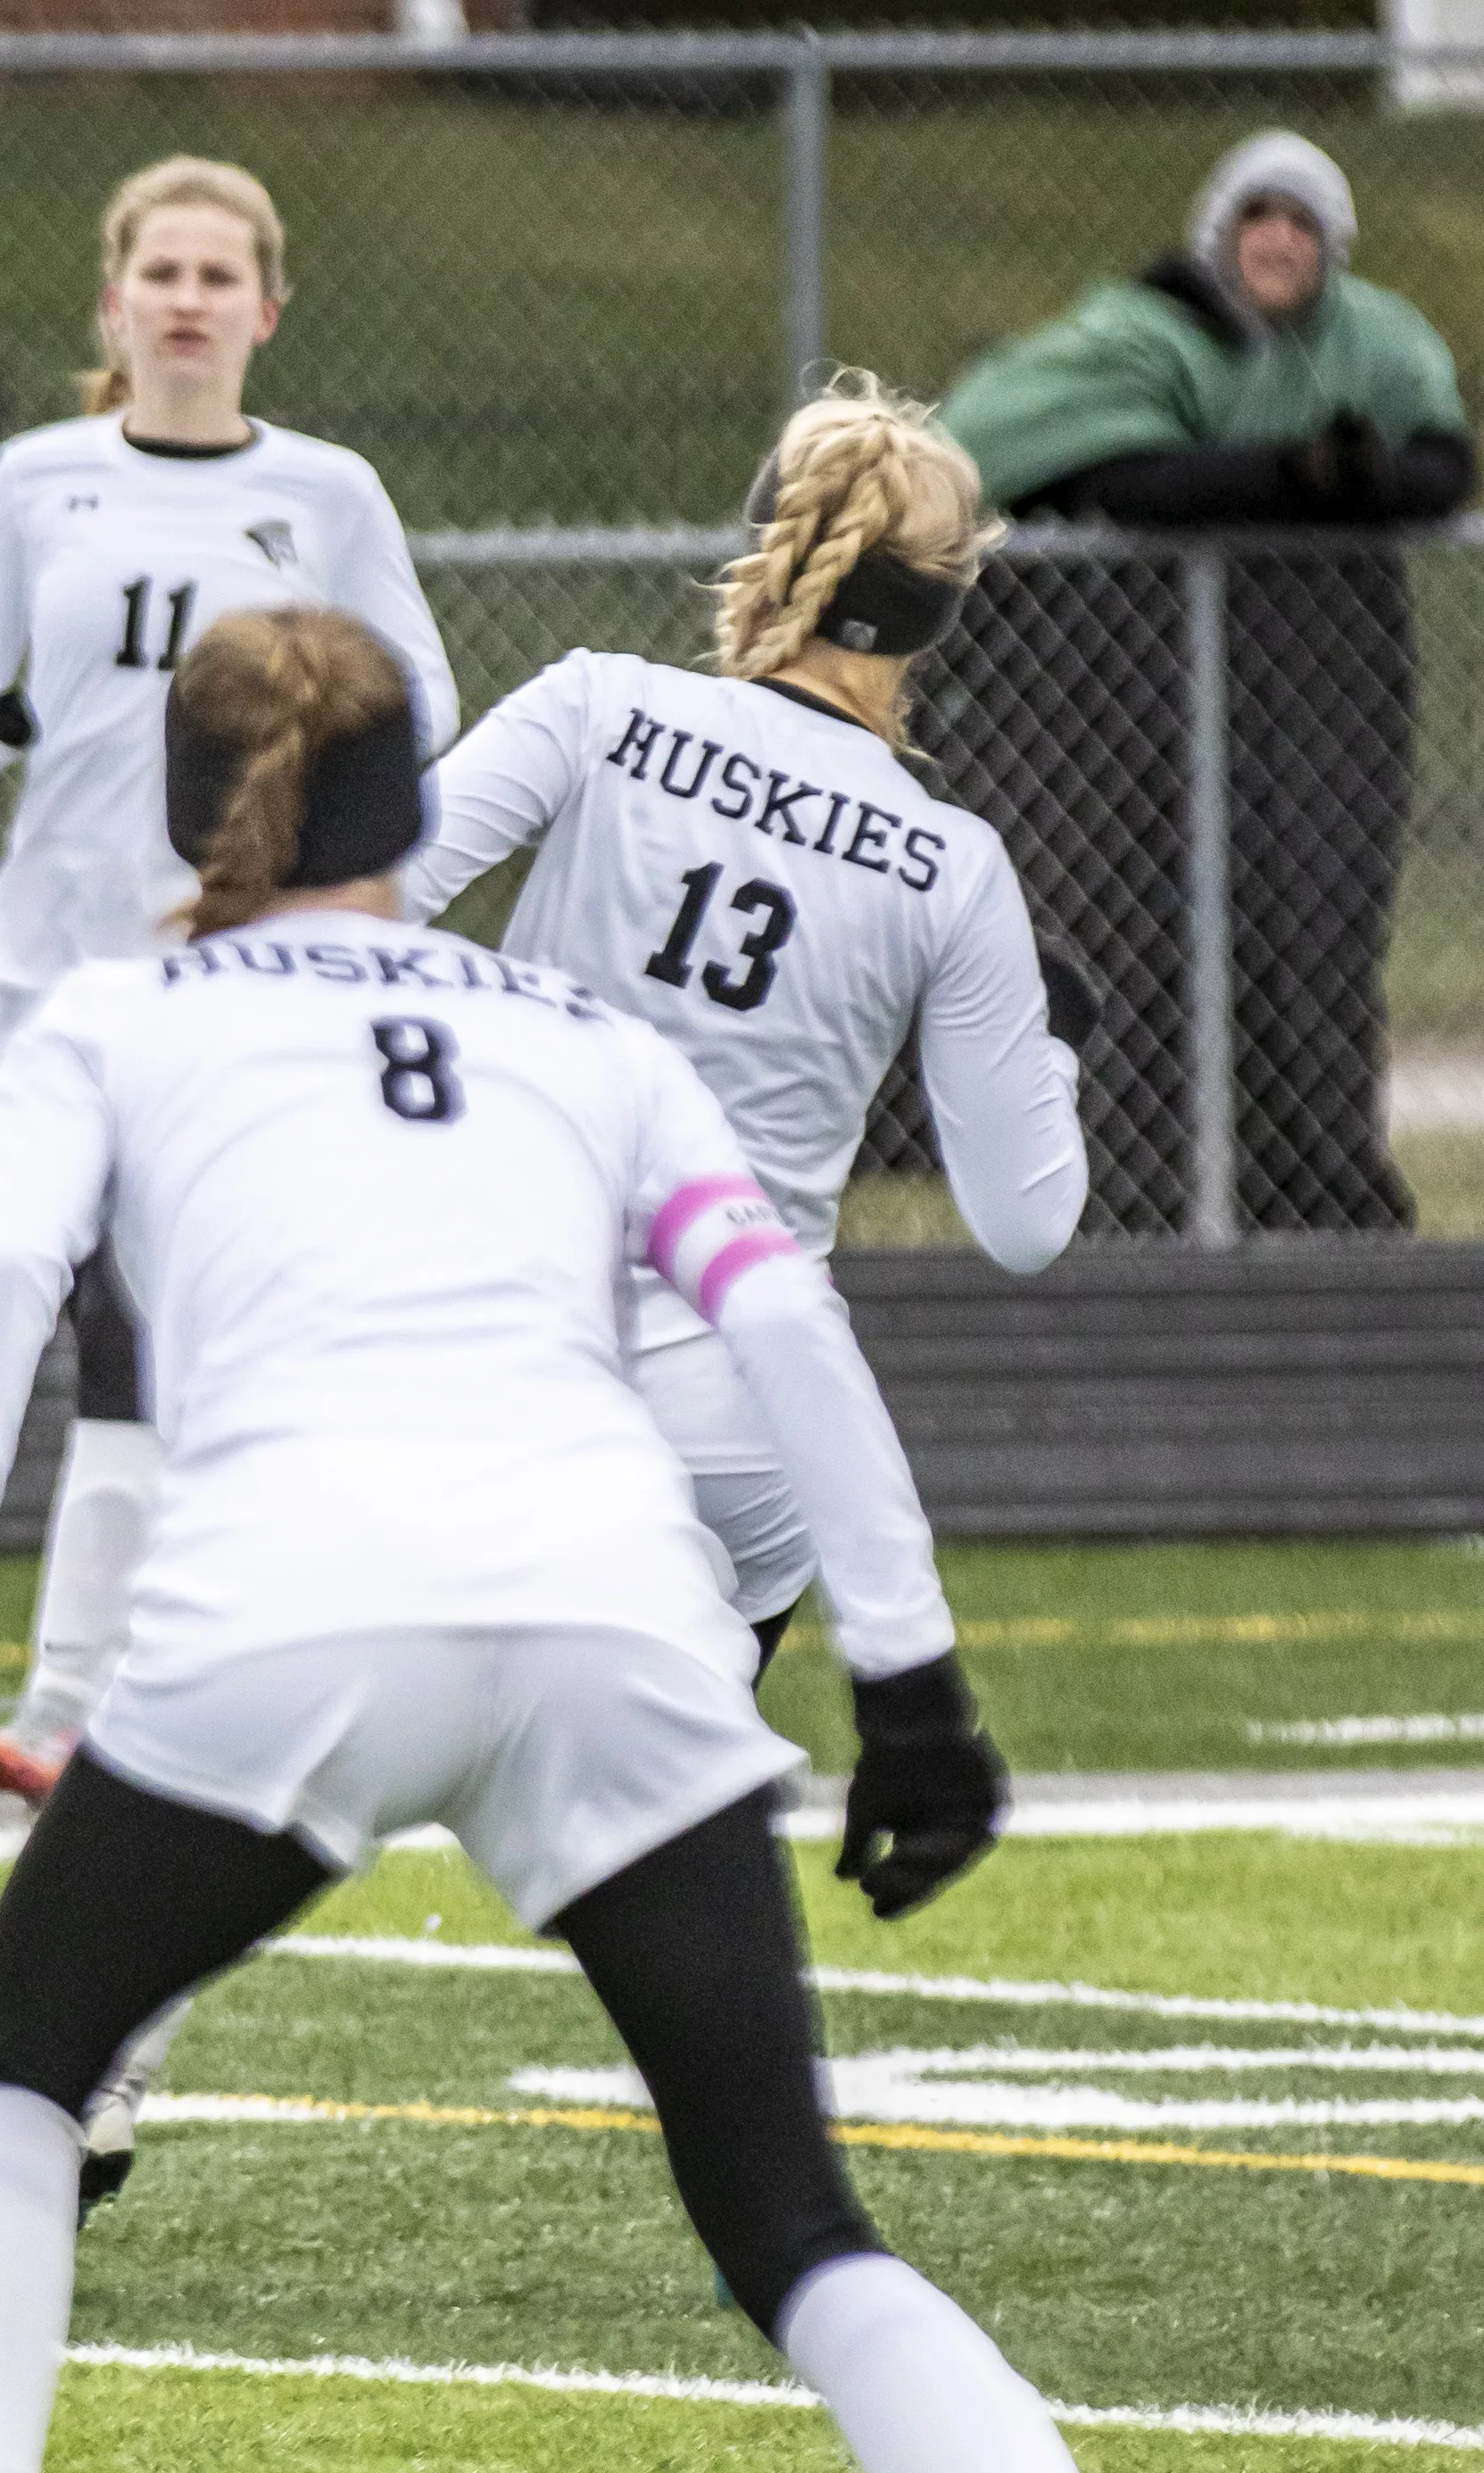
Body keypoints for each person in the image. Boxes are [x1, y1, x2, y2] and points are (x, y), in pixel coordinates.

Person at [0, 607, 1252, 2473]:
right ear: (413, 803)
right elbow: (782, 1329)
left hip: (286, 1611)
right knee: (794, 2219)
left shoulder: (115, 1011)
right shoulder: (576, 1033)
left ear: (181, 809)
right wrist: (910, 1677)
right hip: (608, 1615)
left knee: (9, 2097)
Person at [0, 157, 456, 1822]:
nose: (191, 299)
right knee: (70, 1304)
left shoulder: (330, 495)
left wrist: (356, 867)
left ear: (268, 311)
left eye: (223, 275)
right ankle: (102, 1684)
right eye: (164, 271)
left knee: (176, 1328)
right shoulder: (36, 478)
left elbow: (416, 691)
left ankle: (103, 1695)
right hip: (56, 979)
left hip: (243, 985)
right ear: (115, 302)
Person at [401, 376, 1088, 1667]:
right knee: (655, 1814)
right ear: (940, 607)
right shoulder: (952, 861)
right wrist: (1050, 1044)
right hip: (737, 1406)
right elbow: (1028, 1220)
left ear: (767, 538)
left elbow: (358, 907)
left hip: (502, 1338)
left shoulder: (596, 704)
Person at [938, 129, 1472, 1232]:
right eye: (1256, 218)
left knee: (1302, 938)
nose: (1277, 241)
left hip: (1307, 678)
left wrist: (1350, 481)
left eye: (1300, 223)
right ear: (1216, 234)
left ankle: (1309, 1196)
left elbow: (1439, 464)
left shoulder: (1370, 340)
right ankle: (1138, 1197)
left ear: (1331, 246)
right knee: (1131, 937)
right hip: (1105, 678)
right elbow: (1126, 482)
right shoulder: (1132, 335)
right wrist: (1298, 477)